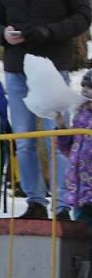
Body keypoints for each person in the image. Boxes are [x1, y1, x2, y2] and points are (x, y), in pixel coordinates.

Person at [0, 0, 92, 220]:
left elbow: (83, 16)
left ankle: (62, 204)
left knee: (57, 134)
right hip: (16, 66)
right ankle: (35, 200)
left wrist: (49, 32)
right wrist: (3, 34)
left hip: (52, 64)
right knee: (24, 138)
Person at [57, 70, 92, 224]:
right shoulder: (80, 116)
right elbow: (68, 149)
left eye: (90, 87)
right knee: (82, 228)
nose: (84, 90)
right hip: (80, 188)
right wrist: (62, 128)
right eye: (83, 85)